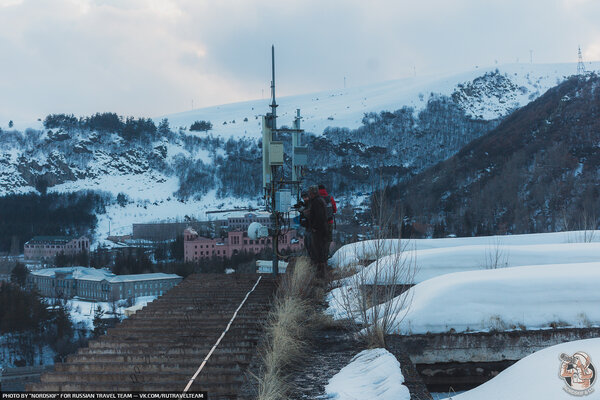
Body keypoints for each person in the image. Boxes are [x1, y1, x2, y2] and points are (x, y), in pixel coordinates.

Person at [305, 185, 329, 278]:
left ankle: (320, 273)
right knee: (320, 249)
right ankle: (321, 271)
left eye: (310, 193)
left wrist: (314, 227)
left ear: (312, 193)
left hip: (319, 230)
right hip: (322, 229)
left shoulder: (316, 202)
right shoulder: (320, 200)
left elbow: (319, 216)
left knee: (317, 250)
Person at [318, 184, 336, 258]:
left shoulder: (317, 199)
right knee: (328, 239)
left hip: (319, 224)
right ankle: (327, 253)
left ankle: (320, 254)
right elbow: (335, 210)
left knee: (319, 239)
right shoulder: (330, 198)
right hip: (329, 222)